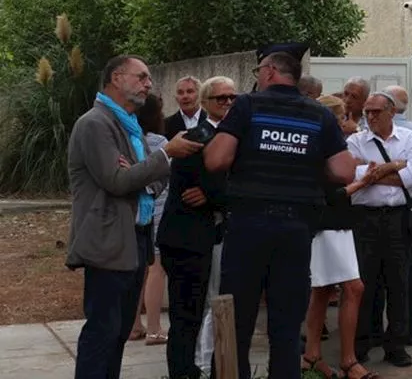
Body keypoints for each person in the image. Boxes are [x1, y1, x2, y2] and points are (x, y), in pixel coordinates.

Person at [204, 52, 356, 379]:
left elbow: (216, 159)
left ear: (270, 72)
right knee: (286, 329)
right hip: (296, 231)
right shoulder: (319, 115)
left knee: (236, 323)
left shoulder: (247, 106)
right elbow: (344, 171)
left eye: (259, 71)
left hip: (248, 227)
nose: (258, 76)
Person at [66, 55, 201, 379]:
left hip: (135, 238)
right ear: (116, 78)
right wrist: (163, 155)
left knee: (121, 330)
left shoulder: (129, 125)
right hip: (108, 240)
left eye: (148, 78)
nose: (148, 84)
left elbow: (150, 182)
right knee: (103, 330)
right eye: (141, 76)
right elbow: (118, 181)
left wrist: (140, 170)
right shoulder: (95, 124)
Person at [303, 98, 397, 379]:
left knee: (322, 290)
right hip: (328, 225)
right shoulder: (323, 148)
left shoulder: (326, 146)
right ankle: (347, 361)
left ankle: (313, 355)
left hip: (336, 224)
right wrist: (362, 182)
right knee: (352, 288)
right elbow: (328, 194)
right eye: (343, 117)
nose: (349, 122)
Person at [157, 77, 235, 379]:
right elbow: (196, 188)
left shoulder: (233, 137)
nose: (228, 103)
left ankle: (209, 366)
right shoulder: (195, 137)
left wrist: (215, 196)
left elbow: (224, 188)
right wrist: (218, 196)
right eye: (220, 99)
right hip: (186, 240)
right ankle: (183, 372)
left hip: (213, 236)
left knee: (214, 306)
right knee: (186, 314)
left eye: (232, 97)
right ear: (205, 104)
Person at [348, 91, 412, 368]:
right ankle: (362, 343)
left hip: (397, 219)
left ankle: (396, 345)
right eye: (367, 112)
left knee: (399, 282)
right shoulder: (355, 141)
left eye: (376, 112)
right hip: (365, 219)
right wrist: (394, 166)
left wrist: (372, 174)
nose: (370, 117)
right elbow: (352, 175)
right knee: (364, 283)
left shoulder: (410, 139)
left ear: (392, 112)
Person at [130, 95, 171, 346]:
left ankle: (134, 325)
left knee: (139, 271)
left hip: (136, 211)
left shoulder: (129, 140)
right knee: (157, 269)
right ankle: (155, 328)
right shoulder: (161, 143)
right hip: (159, 208)